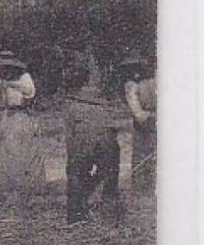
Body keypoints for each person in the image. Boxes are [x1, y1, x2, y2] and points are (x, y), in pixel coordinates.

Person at [64, 61, 127, 224]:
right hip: (107, 140)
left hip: (85, 141)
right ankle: (109, 214)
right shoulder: (103, 105)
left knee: (76, 174)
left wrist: (71, 160)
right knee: (109, 176)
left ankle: (77, 215)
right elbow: (113, 129)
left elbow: (70, 138)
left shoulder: (72, 106)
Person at [0, 50, 44, 194]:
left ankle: (28, 185)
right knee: (8, 149)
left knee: (24, 149)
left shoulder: (24, 77)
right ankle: (11, 184)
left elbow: (30, 92)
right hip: (8, 113)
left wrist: (9, 84)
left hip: (22, 113)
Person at [119, 54, 156, 195]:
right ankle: (141, 187)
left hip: (150, 120)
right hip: (146, 122)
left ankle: (149, 185)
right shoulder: (133, 86)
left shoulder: (151, 82)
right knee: (143, 154)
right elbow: (137, 112)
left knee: (150, 154)